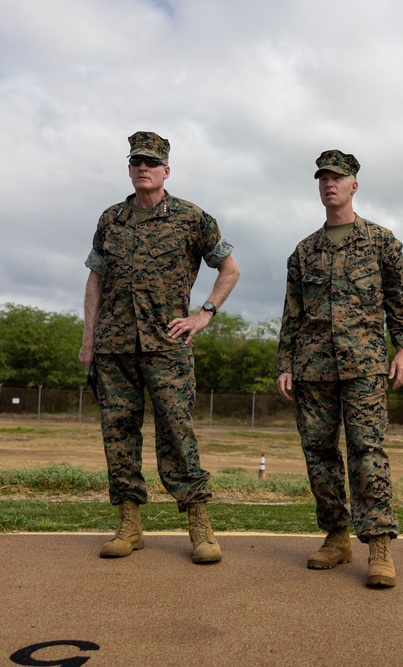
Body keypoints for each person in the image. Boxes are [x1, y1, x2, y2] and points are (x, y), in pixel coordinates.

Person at [79, 131, 240, 563]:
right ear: (129, 169)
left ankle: (199, 524)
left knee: (176, 432)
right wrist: (88, 339)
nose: (143, 168)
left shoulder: (191, 218)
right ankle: (129, 524)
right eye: (136, 162)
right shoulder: (110, 219)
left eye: (151, 162)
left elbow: (229, 268)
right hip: (113, 347)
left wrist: (204, 313)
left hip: (166, 346)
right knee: (118, 435)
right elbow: (95, 279)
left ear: (166, 170)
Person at [277, 149, 403, 589]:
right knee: (318, 454)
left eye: (337, 177)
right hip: (312, 368)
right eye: (323, 177)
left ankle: (378, 545)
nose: (329, 183)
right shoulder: (304, 251)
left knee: (367, 451)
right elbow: (291, 315)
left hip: (364, 366)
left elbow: (400, 305)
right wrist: (285, 364)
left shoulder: (381, 241)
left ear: (354, 184)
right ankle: (336, 537)